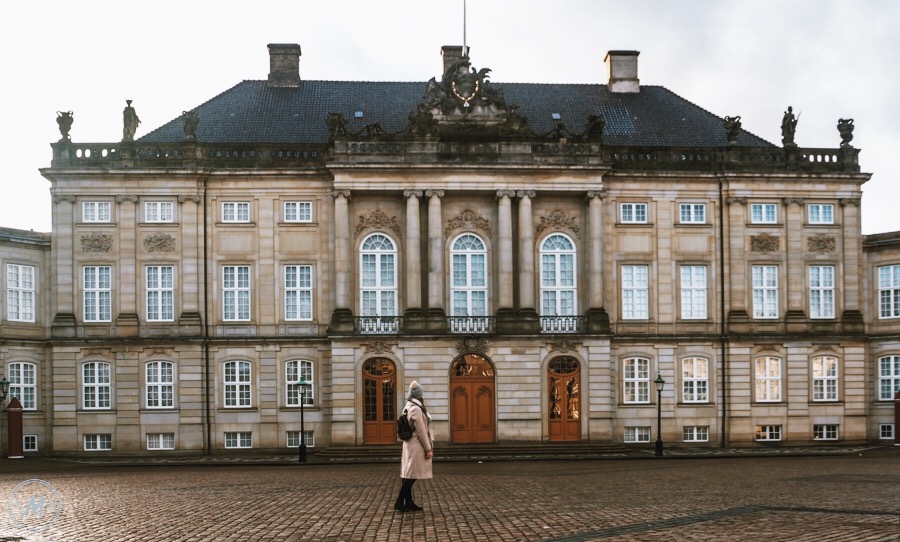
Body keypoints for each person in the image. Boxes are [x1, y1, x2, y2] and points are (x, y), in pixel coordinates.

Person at [394, 380, 434, 513]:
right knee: (412, 475)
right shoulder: (416, 409)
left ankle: (408, 501)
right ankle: (400, 502)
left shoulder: (408, 406)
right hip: (416, 445)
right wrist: (428, 449)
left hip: (409, 444)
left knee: (409, 474)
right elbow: (422, 432)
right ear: (420, 395)